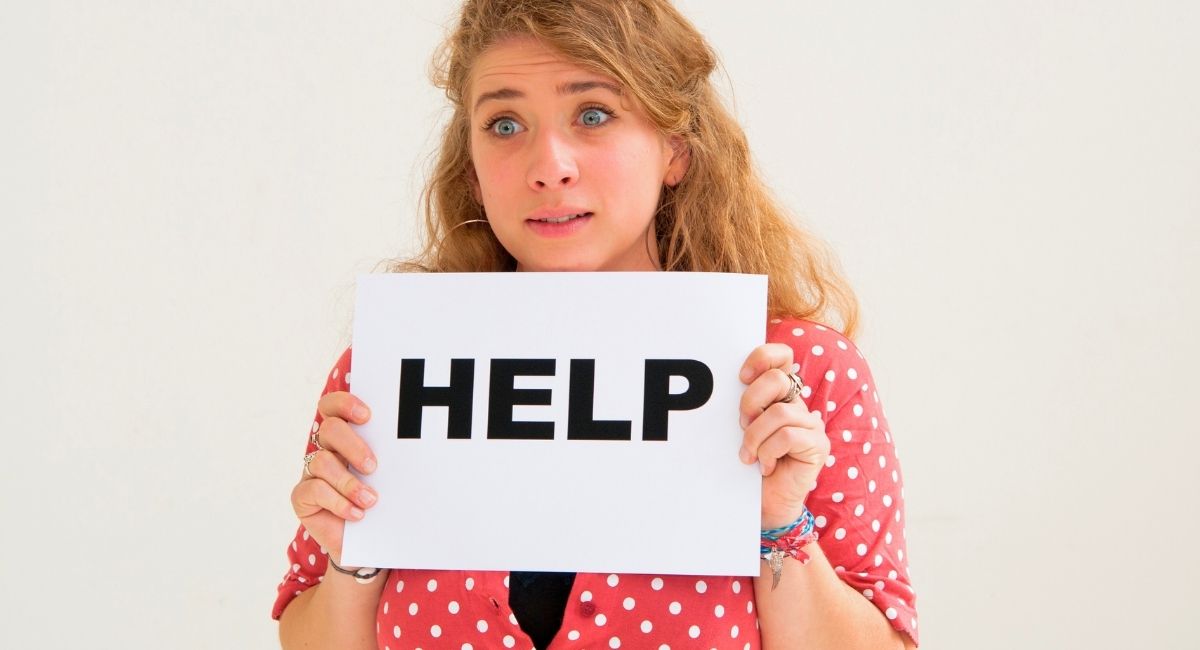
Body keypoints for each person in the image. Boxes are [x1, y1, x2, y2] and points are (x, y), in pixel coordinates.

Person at [274, 1, 918, 648]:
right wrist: (352, 557)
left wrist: (778, 524)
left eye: (593, 115)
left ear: (675, 149)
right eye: (504, 124)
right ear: (472, 168)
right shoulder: (394, 370)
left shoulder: (793, 376)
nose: (548, 166)